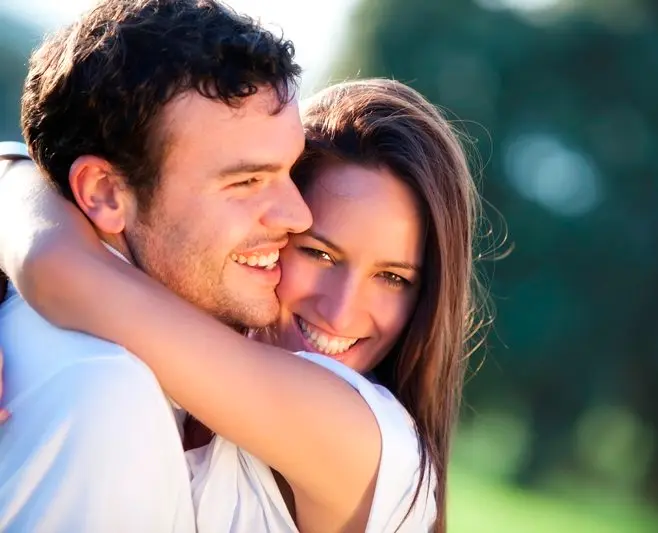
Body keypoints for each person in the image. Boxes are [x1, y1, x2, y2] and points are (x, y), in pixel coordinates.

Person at [1, 78, 486, 531]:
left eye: (392, 278)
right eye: (319, 253)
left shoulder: (372, 445)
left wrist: (13, 174)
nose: (340, 312)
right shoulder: (170, 361)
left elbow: (59, 266)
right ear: (272, 232)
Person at [0, 0, 310, 531]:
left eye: (290, 171)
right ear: (104, 192)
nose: (299, 216)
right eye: (246, 181)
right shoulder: (105, 397)